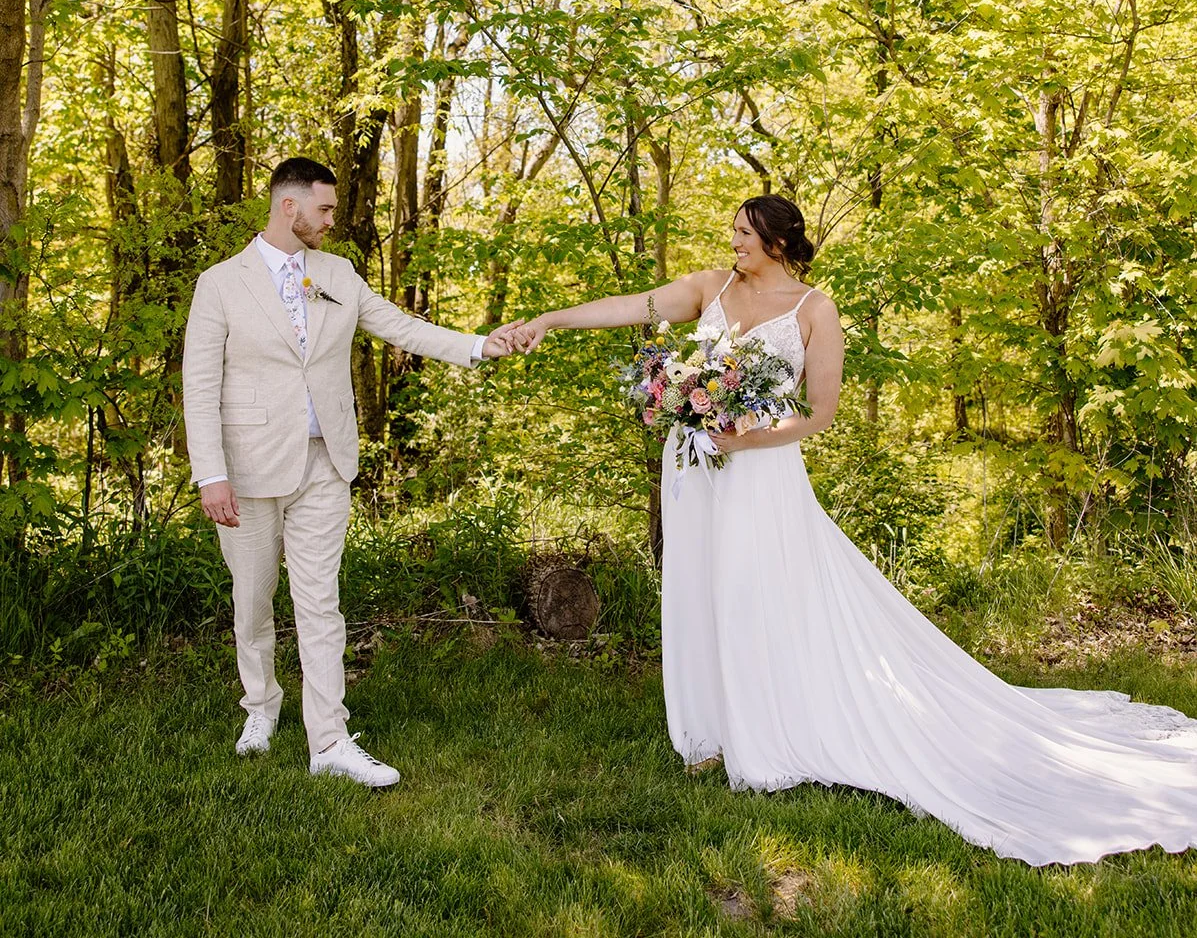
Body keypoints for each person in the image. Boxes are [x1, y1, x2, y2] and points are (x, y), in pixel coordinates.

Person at [513, 195, 1197, 864]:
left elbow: (819, 413)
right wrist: (551, 318)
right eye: (732, 233)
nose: (734, 244)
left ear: (778, 242)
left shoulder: (815, 310)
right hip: (694, 467)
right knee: (698, 589)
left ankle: (770, 729)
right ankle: (711, 733)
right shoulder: (709, 287)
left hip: (757, 470)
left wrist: (746, 441)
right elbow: (631, 308)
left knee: (757, 594)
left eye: (744, 235)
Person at [183, 156, 520, 787]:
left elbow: (398, 327)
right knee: (253, 600)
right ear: (290, 207)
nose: (333, 220)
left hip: (325, 462)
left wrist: (479, 345)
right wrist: (211, 475)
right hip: (248, 468)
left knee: (322, 604)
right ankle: (259, 706)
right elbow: (199, 386)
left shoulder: (338, 273)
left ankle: (329, 741)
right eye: (325, 209)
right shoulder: (221, 284)